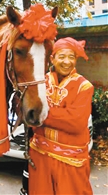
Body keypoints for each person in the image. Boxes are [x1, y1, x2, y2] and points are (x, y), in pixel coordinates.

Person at [28, 37, 94, 195]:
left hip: (70, 160)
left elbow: (76, 122)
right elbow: (30, 115)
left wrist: (42, 114)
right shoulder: (40, 82)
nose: (67, 62)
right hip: (40, 154)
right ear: (52, 58)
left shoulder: (84, 87)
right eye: (62, 56)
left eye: (71, 57)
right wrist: (61, 114)